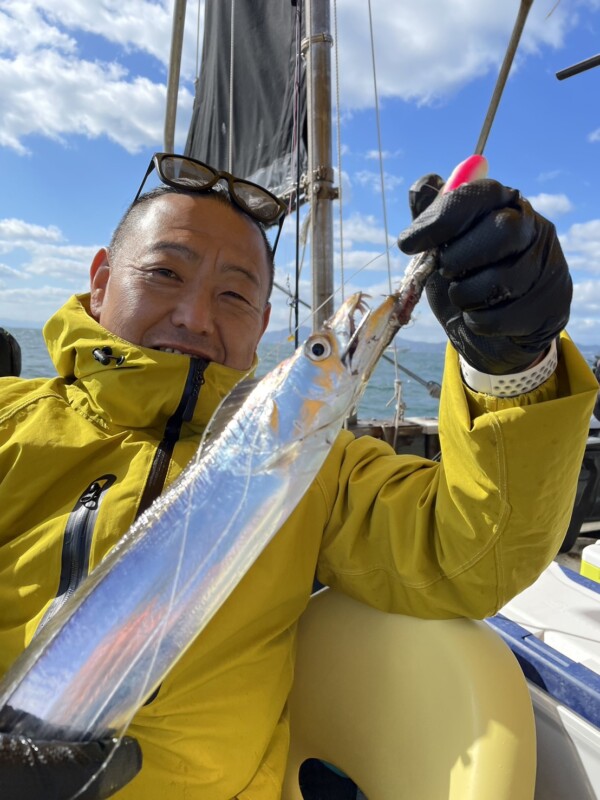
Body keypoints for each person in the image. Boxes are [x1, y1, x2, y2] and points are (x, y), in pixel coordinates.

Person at [0, 152, 597, 800]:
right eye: (165, 273)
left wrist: (513, 366)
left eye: (234, 294)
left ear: (261, 327)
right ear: (100, 280)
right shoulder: (11, 421)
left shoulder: (322, 470)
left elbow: (473, 552)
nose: (196, 317)